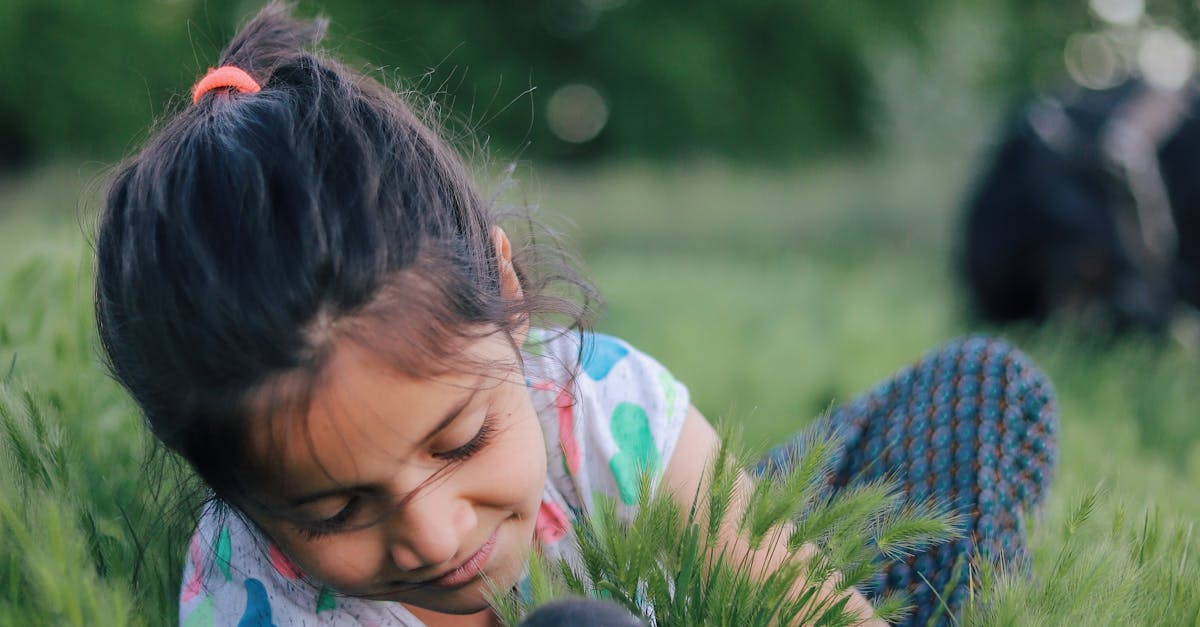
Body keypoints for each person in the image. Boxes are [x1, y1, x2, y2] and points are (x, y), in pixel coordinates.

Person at [93, 3, 1057, 626]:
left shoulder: (601, 406)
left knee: (983, 391)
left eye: (461, 439)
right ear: (234, 491)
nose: (432, 534)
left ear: (506, 294)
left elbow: (802, 602)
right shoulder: (250, 593)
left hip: (685, 600)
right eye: (335, 508)